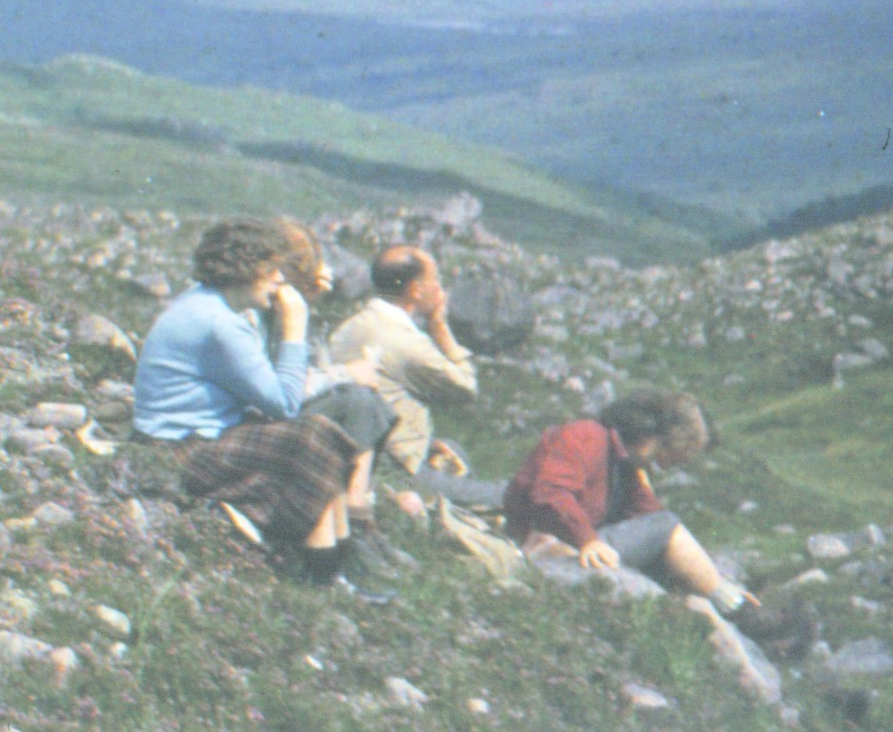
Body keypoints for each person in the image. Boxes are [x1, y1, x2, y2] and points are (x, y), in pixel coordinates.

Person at [132, 216, 399, 582]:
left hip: (197, 436)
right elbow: (284, 403)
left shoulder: (215, 306)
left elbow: (270, 385)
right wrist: (295, 325)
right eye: (273, 269)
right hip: (179, 448)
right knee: (311, 437)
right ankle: (321, 574)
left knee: (318, 434)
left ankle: (333, 565)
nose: (279, 279)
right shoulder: (221, 325)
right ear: (248, 268)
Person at [500, 390, 808, 648]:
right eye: (675, 455)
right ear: (656, 439)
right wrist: (587, 539)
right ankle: (738, 611)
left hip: (569, 544)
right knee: (665, 527)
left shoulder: (624, 464)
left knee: (664, 534)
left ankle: (732, 601)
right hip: (544, 546)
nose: (672, 465)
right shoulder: (584, 435)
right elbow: (550, 492)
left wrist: (716, 576)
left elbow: (646, 512)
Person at [327, 246, 482, 478]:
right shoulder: (406, 343)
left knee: (455, 452)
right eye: (435, 279)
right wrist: (440, 328)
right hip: (397, 466)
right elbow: (465, 387)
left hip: (365, 449)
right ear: (416, 290)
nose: (440, 288)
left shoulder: (347, 328)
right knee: (499, 494)